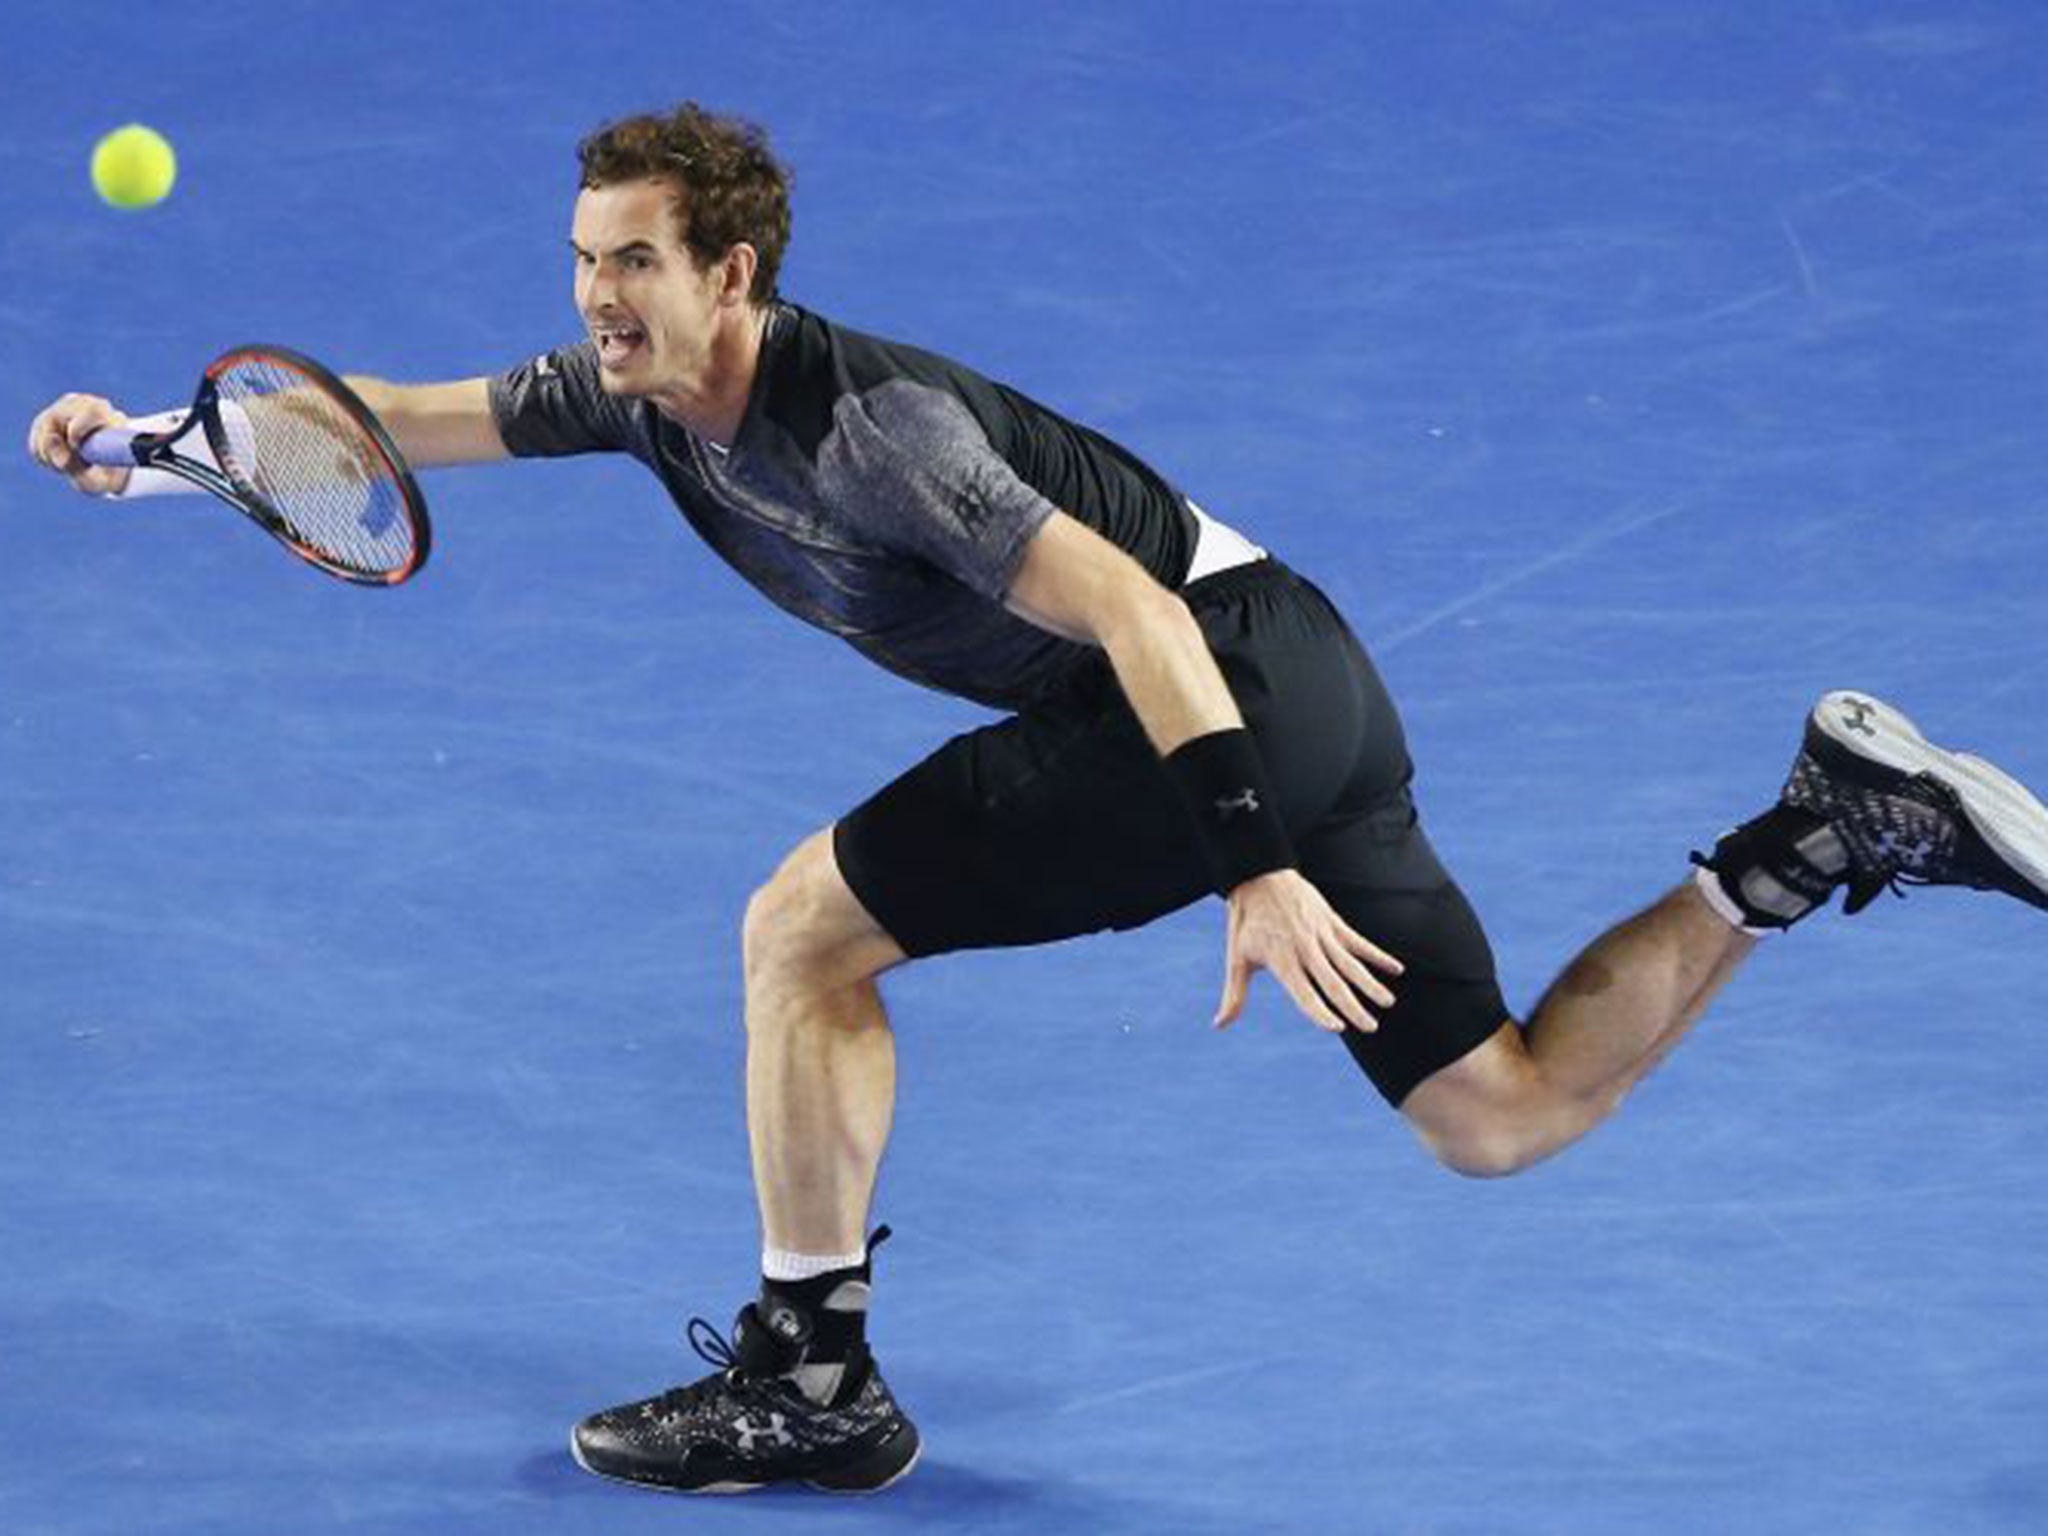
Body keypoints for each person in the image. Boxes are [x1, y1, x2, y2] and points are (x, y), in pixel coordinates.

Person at [28, 103, 2048, 1498]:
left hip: (1217, 691)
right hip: (1316, 675)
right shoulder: (635, 402)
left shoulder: (872, 425)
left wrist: (1246, 861)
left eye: (631, 267)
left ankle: (812, 1380)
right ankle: (1816, 835)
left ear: (735, 267)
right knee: (1496, 1114)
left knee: (802, 933)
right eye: (579, 266)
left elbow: (1138, 621)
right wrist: (147, 445)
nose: (594, 305)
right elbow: (398, 425)